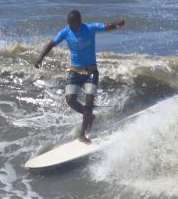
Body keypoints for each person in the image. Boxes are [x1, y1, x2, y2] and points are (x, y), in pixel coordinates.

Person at [34, 10, 125, 144]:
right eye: (69, 24)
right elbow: (51, 44)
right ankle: (89, 116)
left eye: (73, 24)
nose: (70, 26)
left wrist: (117, 25)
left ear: (79, 21)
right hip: (75, 71)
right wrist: (40, 58)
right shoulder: (65, 32)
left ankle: (82, 135)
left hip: (91, 71)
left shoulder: (89, 28)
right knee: (70, 100)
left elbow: (106, 26)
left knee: (89, 102)